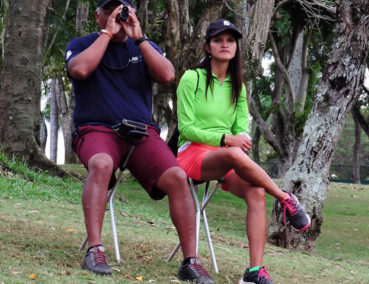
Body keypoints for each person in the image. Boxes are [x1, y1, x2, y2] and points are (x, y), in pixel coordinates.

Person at [65, 1, 214, 283]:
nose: (116, 17)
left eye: (122, 11)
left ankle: (190, 261)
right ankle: (96, 249)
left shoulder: (142, 47)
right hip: (96, 130)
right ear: (98, 16)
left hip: (142, 133)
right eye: (109, 11)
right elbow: (80, 70)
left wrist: (140, 38)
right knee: (101, 163)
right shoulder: (81, 43)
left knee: (177, 177)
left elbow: (168, 75)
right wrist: (106, 35)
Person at [176, 19, 311, 284]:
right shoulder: (192, 78)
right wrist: (226, 138)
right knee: (236, 155)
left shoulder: (239, 86)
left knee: (256, 190)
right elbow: (186, 128)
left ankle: (253, 272)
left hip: (226, 155)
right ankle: (285, 199)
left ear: (236, 47)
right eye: (218, 40)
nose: (225, 45)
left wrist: (242, 138)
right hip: (192, 154)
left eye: (230, 40)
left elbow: (242, 129)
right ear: (208, 46)